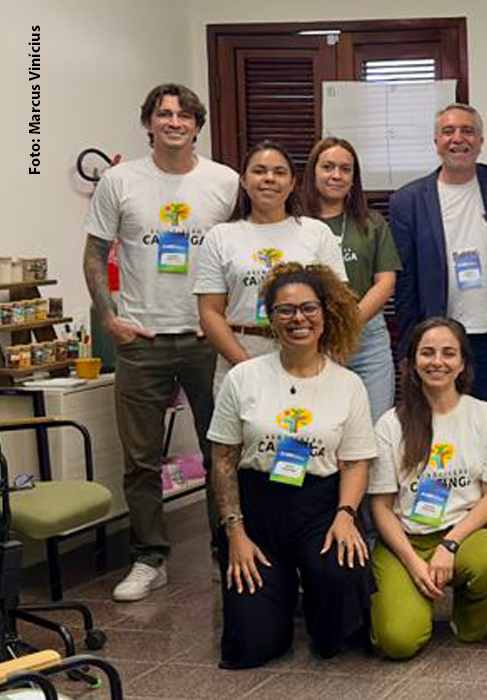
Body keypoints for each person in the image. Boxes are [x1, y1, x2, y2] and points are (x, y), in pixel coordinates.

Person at [82, 83, 239, 602]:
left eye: (184, 115)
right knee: (141, 459)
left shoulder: (225, 181)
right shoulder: (119, 181)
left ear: (198, 125)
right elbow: (94, 253)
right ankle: (150, 557)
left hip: (206, 337)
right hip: (141, 338)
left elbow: (245, 250)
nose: (174, 122)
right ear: (148, 123)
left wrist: (227, 321)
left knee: (223, 450)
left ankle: (226, 550)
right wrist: (109, 318)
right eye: (164, 114)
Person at [207, 262, 376, 669]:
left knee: (339, 598)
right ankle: (276, 604)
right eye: (285, 310)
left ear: (325, 313)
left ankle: (318, 606)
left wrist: (346, 515)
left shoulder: (348, 384)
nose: (298, 318)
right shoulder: (242, 377)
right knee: (252, 646)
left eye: (308, 308)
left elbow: (355, 463)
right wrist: (235, 534)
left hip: (320, 508)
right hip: (257, 512)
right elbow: (223, 460)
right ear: (270, 317)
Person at [368, 318, 487, 660]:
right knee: (397, 642)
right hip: (405, 539)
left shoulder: (486, 417)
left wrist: (450, 544)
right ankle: (412, 596)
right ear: (412, 363)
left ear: (463, 363)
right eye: (427, 353)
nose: (437, 361)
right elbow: (380, 507)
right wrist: (412, 562)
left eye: (448, 353)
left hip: (464, 534)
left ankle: (466, 617)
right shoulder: (390, 424)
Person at [389, 103, 487, 420]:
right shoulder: (407, 201)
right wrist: (408, 347)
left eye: (468, 131)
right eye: (448, 131)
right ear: (436, 141)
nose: (458, 138)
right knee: (436, 425)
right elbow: (405, 283)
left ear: (481, 141)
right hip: (437, 338)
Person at [195, 140, 348, 391]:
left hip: (307, 359)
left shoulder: (317, 233)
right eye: (259, 171)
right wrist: (246, 366)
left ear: (293, 182)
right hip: (240, 357)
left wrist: (318, 358)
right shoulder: (220, 236)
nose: (269, 178)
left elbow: (337, 306)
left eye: (279, 172)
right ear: (244, 181)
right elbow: (210, 312)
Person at [300, 137, 401, 421]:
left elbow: (385, 283)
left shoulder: (372, 222)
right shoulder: (294, 222)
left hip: (366, 337)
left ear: (354, 178)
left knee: (375, 426)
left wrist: (347, 327)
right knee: (318, 427)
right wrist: (328, 333)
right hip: (310, 337)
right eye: (328, 167)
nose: (337, 175)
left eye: (345, 169)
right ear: (313, 172)